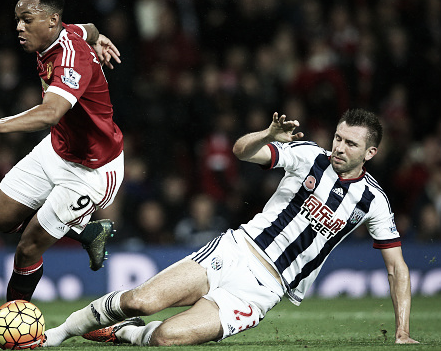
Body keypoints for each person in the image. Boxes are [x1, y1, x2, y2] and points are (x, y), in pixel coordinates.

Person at [42, 109, 419, 346]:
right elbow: (242, 151)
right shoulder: (308, 156)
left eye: (350, 144)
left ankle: (125, 332)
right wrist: (268, 136)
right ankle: (59, 334)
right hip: (235, 251)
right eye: (338, 137)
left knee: (166, 338)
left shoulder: (374, 201)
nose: (339, 147)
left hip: (264, 289)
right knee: (141, 300)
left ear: (370, 153)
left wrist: (401, 331)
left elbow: (396, 268)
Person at [0, 0, 124, 348]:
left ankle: (14, 335)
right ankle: (84, 232)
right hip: (58, 149)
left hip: (93, 170)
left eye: (26, 19)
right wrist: (100, 37)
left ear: (51, 20)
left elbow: (50, 112)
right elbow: (89, 28)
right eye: (17, 19)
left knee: (29, 247)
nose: (18, 27)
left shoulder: (70, 56)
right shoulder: (62, 33)